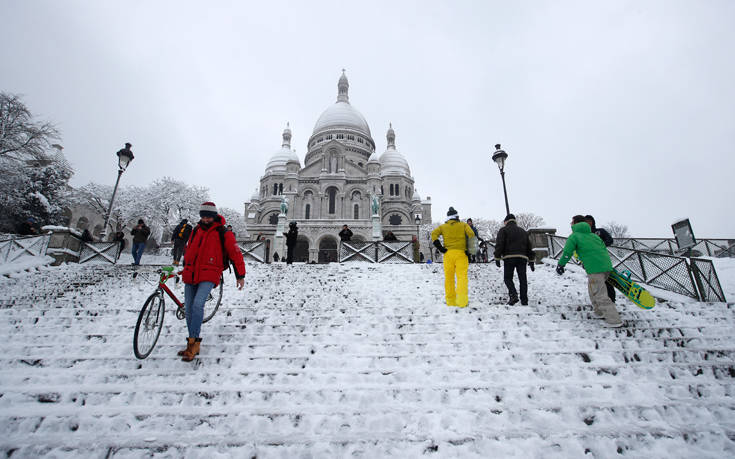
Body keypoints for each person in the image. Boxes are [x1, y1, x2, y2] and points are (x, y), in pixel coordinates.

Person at [179, 202, 246, 361]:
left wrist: (240, 275)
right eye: (203, 216)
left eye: (209, 216)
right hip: (191, 272)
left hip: (210, 272)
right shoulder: (196, 230)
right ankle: (192, 342)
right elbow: (190, 249)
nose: (206, 219)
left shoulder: (223, 232)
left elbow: (235, 253)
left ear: (214, 216)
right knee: (188, 309)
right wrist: (185, 264)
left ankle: (193, 344)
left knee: (197, 304)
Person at [556, 215, 623, 328]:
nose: (571, 224)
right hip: (606, 267)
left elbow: (567, 252)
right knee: (593, 290)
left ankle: (614, 320)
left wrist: (561, 265)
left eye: (571, 222)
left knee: (600, 294)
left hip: (595, 269)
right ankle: (599, 312)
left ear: (576, 223)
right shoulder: (593, 235)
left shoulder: (574, 237)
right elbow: (603, 248)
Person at [431, 207, 475, 307]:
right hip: (461, 254)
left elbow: (433, 234)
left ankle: (450, 301)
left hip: (448, 254)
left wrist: (440, 248)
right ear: (457, 216)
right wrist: (470, 251)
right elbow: (472, 234)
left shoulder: (443, 227)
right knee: (462, 277)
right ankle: (462, 301)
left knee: (449, 278)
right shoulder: (463, 225)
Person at [493, 214, 535, 305]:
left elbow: (500, 244)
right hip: (522, 258)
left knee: (508, 278)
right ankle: (524, 300)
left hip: (509, 258)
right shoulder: (523, 231)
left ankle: (513, 295)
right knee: (523, 279)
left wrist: (497, 257)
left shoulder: (503, 230)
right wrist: (531, 260)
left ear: (506, 221)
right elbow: (529, 247)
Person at [585, 215, 616, 303]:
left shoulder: (599, 231)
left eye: (589, 221)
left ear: (593, 222)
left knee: (607, 282)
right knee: (596, 283)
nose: (588, 223)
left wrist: (600, 246)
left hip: (602, 260)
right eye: (586, 221)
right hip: (590, 262)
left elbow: (610, 240)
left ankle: (611, 300)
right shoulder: (582, 235)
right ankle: (599, 302)